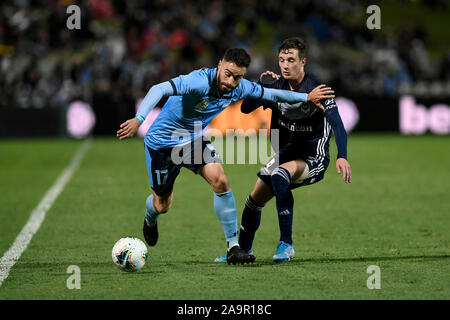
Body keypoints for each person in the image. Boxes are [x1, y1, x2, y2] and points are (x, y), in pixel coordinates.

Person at [117, 47, 335, 265]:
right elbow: (159, 88)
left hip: (192, 139)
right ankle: (150, 217)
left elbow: (272, 94)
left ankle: (233, 246)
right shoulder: (198, 81)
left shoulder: (239, 87)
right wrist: (139, 119)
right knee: (162, 204)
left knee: (220, 180)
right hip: (162, 143)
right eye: (228, 74)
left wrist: (306, 96)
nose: (231, 81)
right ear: (220, 65)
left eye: (237, 77)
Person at [214, 38, 351, 263]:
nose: (285, 65)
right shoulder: (276, 86)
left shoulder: (317, 90)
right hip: (286, 153)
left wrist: (342, 156)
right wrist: (261, 86)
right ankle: (241, 252)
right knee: (253, 200)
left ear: (303, 62)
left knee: (280, 174)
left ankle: (286, 244)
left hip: (313, 157)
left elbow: (337, 124)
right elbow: (247, 108)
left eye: (291, 60)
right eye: (281, 60)